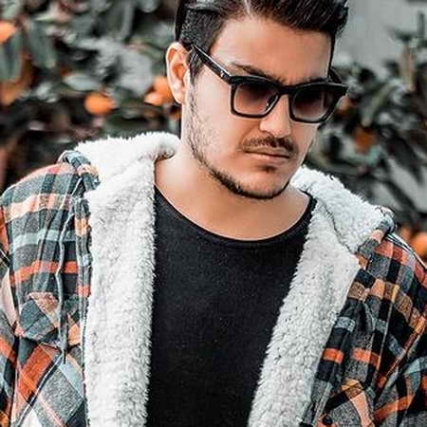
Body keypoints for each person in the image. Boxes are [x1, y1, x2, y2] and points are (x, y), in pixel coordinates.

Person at [1, 0, 426, 426]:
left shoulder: (384, 283)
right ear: (181, 74)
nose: (280, 126)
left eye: (309, 96)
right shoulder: (45, 216)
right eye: (252, 88)